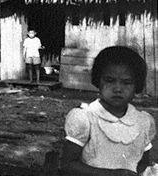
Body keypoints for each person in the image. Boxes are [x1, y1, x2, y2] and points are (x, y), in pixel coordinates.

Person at [61, 46, 156, 175]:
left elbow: (143, 163)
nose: (118, 88)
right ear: (98, 81)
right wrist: (110, 174)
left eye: (126, 82)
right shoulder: (86, 118)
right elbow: (68, 165)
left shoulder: (143, 122)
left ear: (137, 86)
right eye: (109, 80)